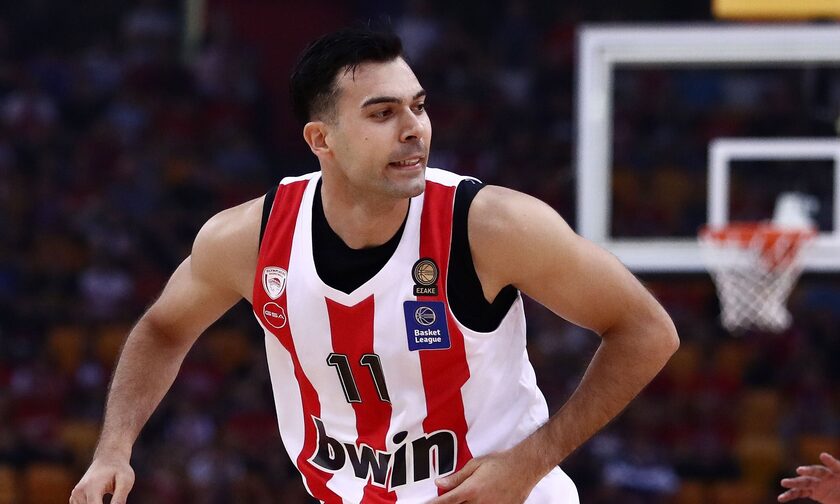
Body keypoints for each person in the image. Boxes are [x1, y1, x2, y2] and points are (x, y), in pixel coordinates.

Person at [70, 26, 679, 504]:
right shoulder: (248, 240)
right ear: (321, 140)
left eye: (418, 106)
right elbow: (163, 328)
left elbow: (647, 329)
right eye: (383, 113)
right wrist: (113, 449)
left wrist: (530, 462)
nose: (414, 129)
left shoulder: (490, 226)